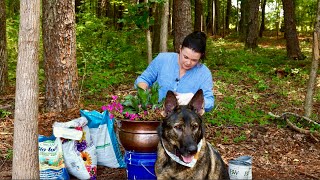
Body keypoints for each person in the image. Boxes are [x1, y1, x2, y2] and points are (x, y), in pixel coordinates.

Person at [134, 31, 214, 112]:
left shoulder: (204, 73)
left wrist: (192, 98)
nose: (188, 62)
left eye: (194, 60)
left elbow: (210, 102)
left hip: (184, 119)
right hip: (155, 113)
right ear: (180, 49)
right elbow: (143, 79)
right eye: (185, 57)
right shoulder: (163, 59)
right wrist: (143, 94)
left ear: (201, 56)